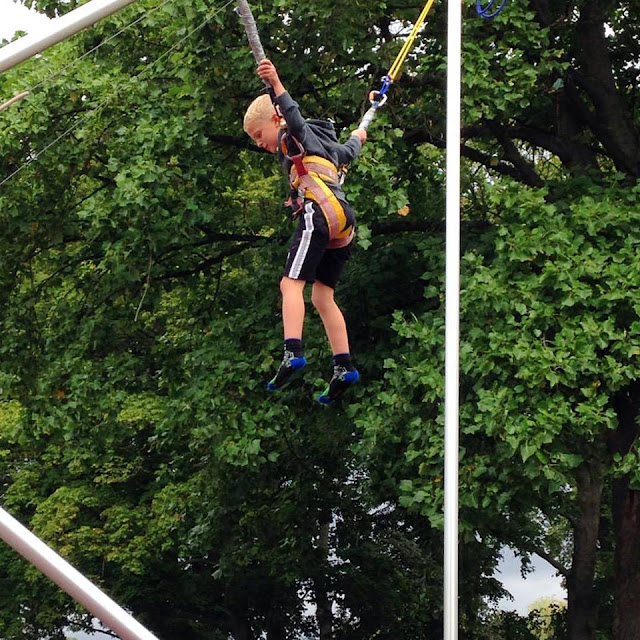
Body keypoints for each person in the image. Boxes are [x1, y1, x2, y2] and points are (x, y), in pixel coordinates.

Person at [243, 59, 367, 404]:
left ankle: (292, 350)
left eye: (259, 135)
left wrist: (276, 84)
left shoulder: (292, 133)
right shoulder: (326, 146)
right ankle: (344, 366)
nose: (259, 144)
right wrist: (358, 137)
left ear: (275, 120)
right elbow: (349, 151)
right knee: (322, 297)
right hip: (344, 222)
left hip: (320, 211)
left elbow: (292, 114)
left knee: (290, 284)